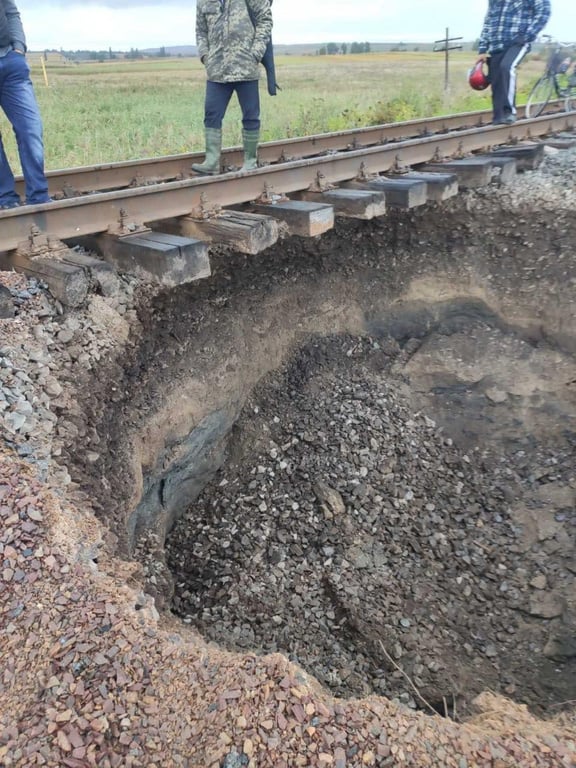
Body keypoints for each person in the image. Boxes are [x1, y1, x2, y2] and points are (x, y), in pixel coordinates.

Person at [192, 0, 273, 175]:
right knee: (211, 115)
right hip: (216, 70)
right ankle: (211, 162)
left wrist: (256, 53)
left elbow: (265, 19)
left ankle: (250, 162)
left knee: (251, 116)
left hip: (246, 67)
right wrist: (205, 56)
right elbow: (200, 31)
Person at [0, 0, 50, 208]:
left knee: (31, 129)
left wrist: (18, 48)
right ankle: (5, 198)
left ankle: (38, 197)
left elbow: (11, 12)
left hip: (11, 62)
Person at [477, 0, 551, 125]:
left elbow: (544, 12)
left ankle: (509, 111)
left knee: (507, 67)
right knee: (496, 79)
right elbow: (488, 21)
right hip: (496, 44)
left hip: (518, 42)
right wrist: (482, 49)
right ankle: (498, 118)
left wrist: (527, 35)